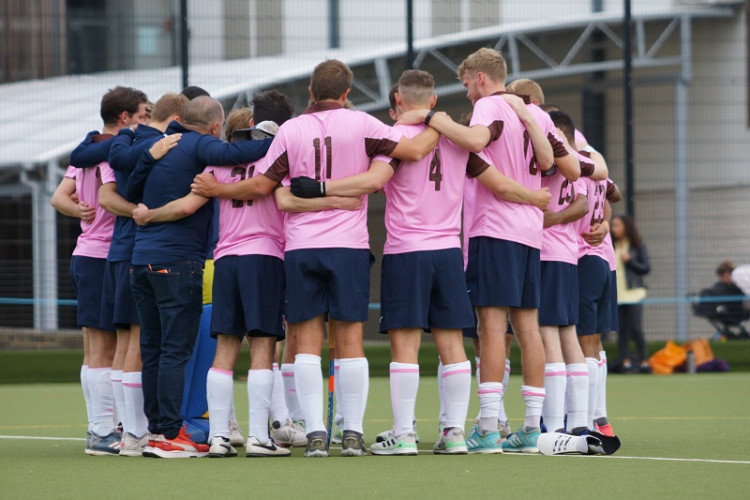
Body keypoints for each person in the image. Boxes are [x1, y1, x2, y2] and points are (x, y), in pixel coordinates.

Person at [292, 69, 551, 455]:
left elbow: (374, 179)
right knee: (453, 345)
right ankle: (454, 434)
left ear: (397, 100)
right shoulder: (457, 141)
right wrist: (534, 199)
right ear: (432, 101)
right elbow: (499, 183)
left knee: (405, 346)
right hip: (447, 251)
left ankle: (405, 434)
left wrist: (321, 189)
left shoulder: (394, 137)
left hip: (406, 250)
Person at [398, 47, 555, 453]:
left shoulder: (488, 105)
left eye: (467, 83)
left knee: (490, 328)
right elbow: (555, 161)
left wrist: (432, 117)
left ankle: (487, 426)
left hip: (496, 228)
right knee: (528, 329)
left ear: (481, 78)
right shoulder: (534, 112)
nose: (467, 92)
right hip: (530, 234)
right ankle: (533, 426)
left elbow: (475, 139)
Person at [129, 96, 273, 458]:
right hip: (178, 262)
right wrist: (288, 137)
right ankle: (171, 435)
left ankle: (155, 431)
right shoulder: (202, 145)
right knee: (176, 351)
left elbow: (130, 189)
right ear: (214, 126)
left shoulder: (158, 147)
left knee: (153, 350)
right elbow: (239, 154)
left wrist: (146, 214)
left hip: (140, 262)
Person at [51, 86, 149, 455]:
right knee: (107, 347)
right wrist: (143, 210)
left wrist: (79, 212)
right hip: (104, 256)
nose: (145, 120)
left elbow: (59, 196)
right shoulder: (113, 151)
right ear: (124, 118)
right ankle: (105, 431)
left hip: (85, 253)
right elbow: (108, 194)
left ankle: (100, 429)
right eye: (142, 114)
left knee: (94, 347)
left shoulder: (88, 150)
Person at [611, 214, 651, 373]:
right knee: (622, 330)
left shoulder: (637, 246)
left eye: (617, 225)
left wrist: (630, 261)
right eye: (613, 226)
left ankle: (643, 361)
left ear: (626, 227)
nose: (614, 229)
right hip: (617, 296)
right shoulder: (611, 245)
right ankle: (625, 361)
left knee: (636, 328)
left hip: (634, 295)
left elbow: (646, 268)